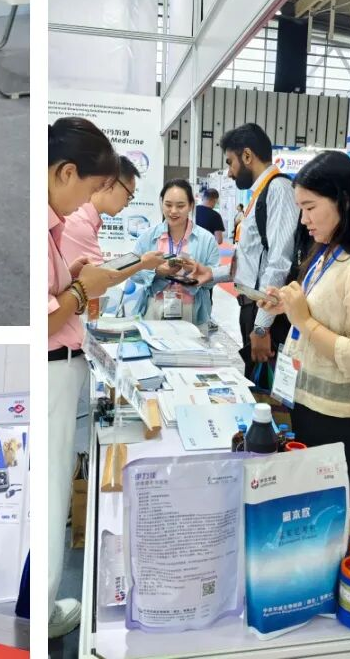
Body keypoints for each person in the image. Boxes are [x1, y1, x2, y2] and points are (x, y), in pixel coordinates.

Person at [47, 119, 127, 639]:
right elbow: (42, 317)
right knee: (54, 492)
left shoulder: (53, 222)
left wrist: (72, 280)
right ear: (66, 172)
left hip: (62, 363)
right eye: (93, 188)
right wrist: (79, 291)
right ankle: (47, 612)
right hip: (53, 364)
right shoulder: (47, 222)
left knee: (55, 487)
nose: (89, 202)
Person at [257, 150, 350, 507]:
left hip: (336, 417)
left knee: (330, 509)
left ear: (343, 201)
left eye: (310, 207)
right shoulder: (327, 251)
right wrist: (287, 306)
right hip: (305, 401)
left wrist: (303, 319)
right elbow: (323, 312)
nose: (303, 220)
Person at [188, 123, 298, 382]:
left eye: (230, 162)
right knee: (254, 384)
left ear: (247, 156)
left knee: (265, 393)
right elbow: (252, 261)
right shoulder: (260, 193)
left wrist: (261, 326)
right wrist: (211, 274)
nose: (229, 173)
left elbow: (278, 263)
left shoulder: (278, 190)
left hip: (267, 315)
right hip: (253, 308)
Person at [59, 153, 165, 308]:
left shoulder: (86, 219)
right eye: (128, 195)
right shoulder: (80, 222)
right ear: (110, 183)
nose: (127, 204)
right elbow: (103, 277)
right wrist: (142, 264)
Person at [127, 180, 220, 328]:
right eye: (168, 205)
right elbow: (132, 272)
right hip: (154, 308)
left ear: (191, 205)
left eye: (180, 206)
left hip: (193, 311)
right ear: (161, 203)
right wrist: (157, 271)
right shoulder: (148, 237)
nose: (173, 211)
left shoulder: (206, 239)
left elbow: (214, 279)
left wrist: (196, 270)